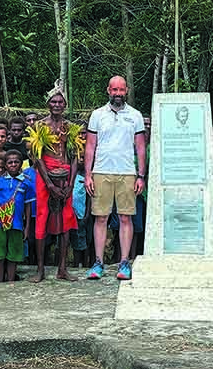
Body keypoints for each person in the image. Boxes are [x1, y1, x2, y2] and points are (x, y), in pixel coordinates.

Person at [85, 76, 146, 281]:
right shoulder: (97, 115)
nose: (118, 93)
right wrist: (88, 175)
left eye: (121, 90)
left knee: (125, 218)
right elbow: (90, 146)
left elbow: (140, 147)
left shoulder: (135, 116)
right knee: (100, 217)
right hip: (101, 171)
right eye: (114, 90)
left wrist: (141, 176)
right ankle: (98, 263)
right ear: (108, 90)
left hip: (127, 172)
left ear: (126, 90)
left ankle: (124, 263)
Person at [32, 84, 79, 282]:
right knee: (42, 217)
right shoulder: (40, 126)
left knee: (66, 220)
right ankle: (41, 270)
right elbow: (37, 156)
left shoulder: (70, 127)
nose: (57, 105)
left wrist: (71, 183)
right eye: (54, 101)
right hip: (46, 176)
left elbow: (75, 156)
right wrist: (49, 184)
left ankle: (62, 268)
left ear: (65, 104)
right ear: (48, 104)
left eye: (60, 102)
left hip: (65, 174)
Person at [0, 149, 34, 284]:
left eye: (16, 162)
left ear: (21, 164)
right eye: (10, 162)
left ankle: (10, 282)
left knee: (13, 256)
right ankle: (0, 283)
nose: (13, 165)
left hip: (17, 224)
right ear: (5, 165)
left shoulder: (26, 182)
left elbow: (28, 206)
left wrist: (27, 227)